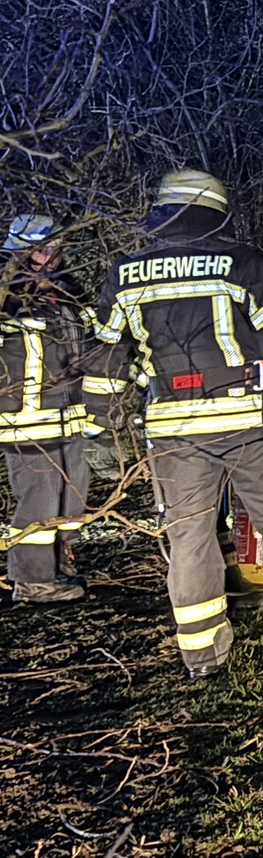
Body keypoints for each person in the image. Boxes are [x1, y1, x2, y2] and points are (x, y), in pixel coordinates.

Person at [83, 170, 263, 678]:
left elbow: (103, 358)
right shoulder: (239, 262)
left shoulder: (123, 273)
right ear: (216, 213)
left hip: (170, 427)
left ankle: (203, 658)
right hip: (247, 417)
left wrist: (99, 426)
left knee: (188, 537)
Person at [2, 213, 95, 604]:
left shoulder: (68, 291)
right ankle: (32, 580)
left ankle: (61, 558)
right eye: (38, 247)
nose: (48, 253)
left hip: (68, 412)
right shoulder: (7, 293)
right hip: (23, 417)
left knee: (75, 490)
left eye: (53, 245)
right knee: (40, 493)